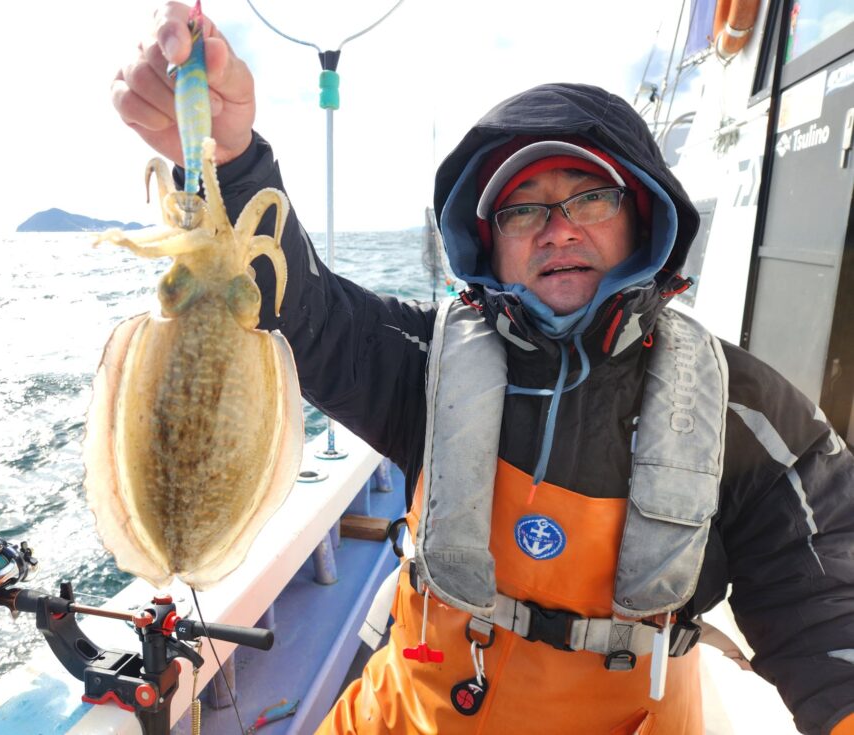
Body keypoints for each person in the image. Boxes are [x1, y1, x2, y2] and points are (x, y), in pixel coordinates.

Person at [113, 5, 854, 734]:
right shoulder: (429, 365)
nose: (558, 227)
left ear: (644, 218)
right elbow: (298, 310)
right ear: (488, 246)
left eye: (590, 197)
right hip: (404, 714)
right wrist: (225, 153)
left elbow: (829, 607)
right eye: (522, 210)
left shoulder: (747, 415)